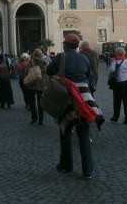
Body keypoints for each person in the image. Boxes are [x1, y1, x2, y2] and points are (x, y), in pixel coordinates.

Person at [46, 33, 99, 180]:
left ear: (65, 46)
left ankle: (66, 164)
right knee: (84, 133)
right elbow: (89, 77)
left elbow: (49, 71)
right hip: (84, 98)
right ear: (76, 46)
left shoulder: (61, 57)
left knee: (65, 130)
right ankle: (88, 170)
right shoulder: (84, 58)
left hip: (68, 98)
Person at [26, 49, 49, 125]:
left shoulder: (32, 61)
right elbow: (46, 73)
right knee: (40, 102)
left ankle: (34, 117)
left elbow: (26, 71)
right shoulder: (45, 62)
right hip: (42, 83)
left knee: (32, 101)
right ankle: (41, 120)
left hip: (32, 83)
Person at [109, 47, 127, 124]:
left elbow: (112, 70)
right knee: (126, 100)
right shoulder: (126, 60)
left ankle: (115, 117)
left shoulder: (114, 61)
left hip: (118, 82)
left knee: (117, 100)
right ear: (123, 53)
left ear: (116, 53)